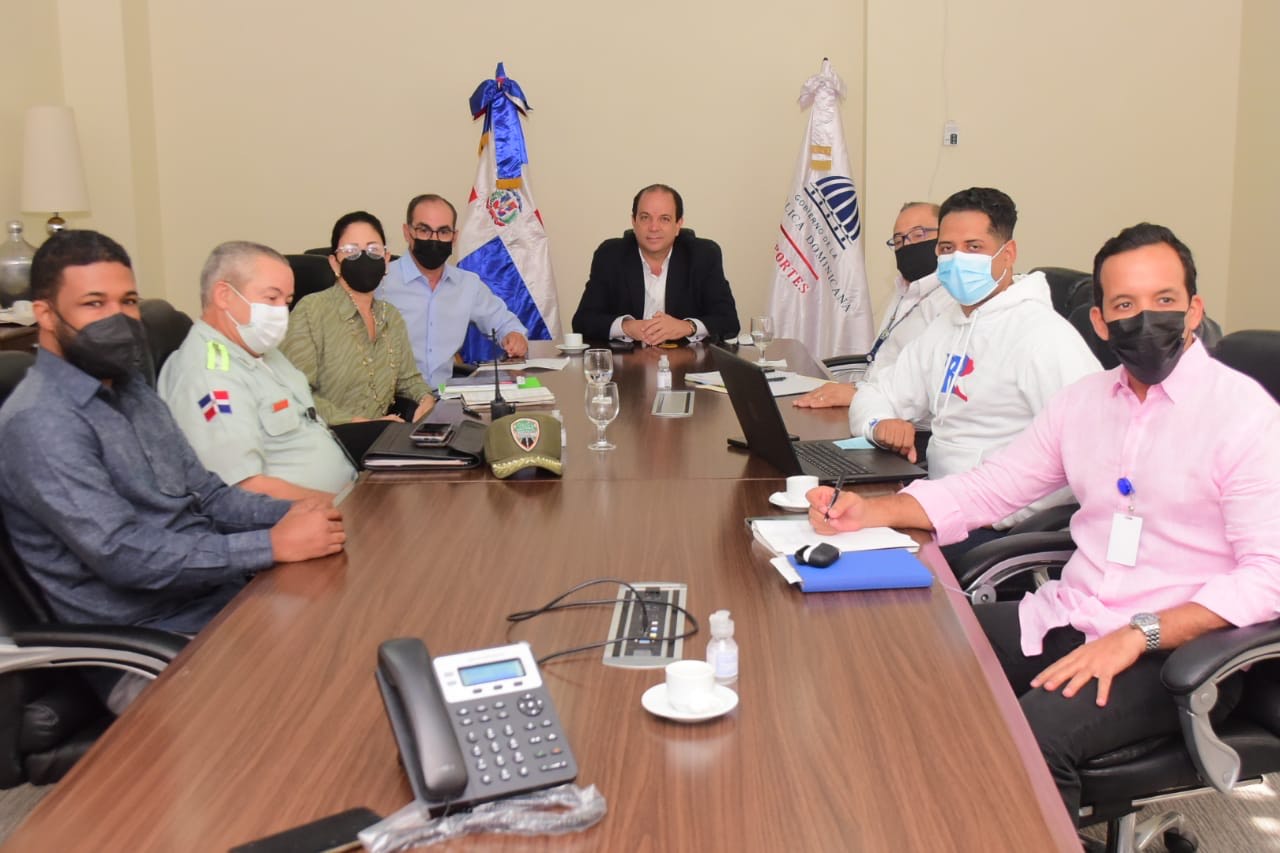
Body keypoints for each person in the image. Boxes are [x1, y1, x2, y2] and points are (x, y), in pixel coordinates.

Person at [807, 222, 1280, 826]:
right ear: (1100, 323)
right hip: (1072, 615)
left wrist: (1139, 634)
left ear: (1194, 309)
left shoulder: (1243, 416)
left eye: (1164, 300)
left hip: (1178, 652)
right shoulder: (1083, 404)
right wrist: (873, 511)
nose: (1145, 318)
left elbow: (1268, 576)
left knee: (1029, 738)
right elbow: (992, 487)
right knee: (907, 653)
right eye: (1125, 305)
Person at [0, 230, 344, 644]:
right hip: (155, 637)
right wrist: (270, 544)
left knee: (363, 616)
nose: (118, 318)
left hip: (220, 596)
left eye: (128, 301)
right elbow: (123, 554)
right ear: (46, 314)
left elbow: (210, 496)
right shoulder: (39, 421)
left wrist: (304, 513)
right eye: (94, 303)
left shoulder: (130, 389)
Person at [849, 187, 1099, 554]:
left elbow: (1086, 457)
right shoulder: (947, 324)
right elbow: (875, 392)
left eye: (973, 247)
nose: (957, 259)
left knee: (870, 565)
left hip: (997, 528)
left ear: (1007, 254)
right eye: (947, 248)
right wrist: (878, 423)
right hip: (937, 501)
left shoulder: (1044, 336)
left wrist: (996, 516)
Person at [159, 241, 357, 501]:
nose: (281, 311)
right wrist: (342, 508)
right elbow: (242, 489)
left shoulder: (258, 349)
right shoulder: (209, 375)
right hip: (306, 517)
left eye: (287, 301)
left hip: (346, 499)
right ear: (224, 295)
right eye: (271, 298)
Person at [280, 211, 434, 424]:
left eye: (373, 250)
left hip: (382, 435)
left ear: (386, 260)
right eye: (351, 251)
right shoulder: (311, 311)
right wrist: (358, 424)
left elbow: (409, 380)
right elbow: (296, 394)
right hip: (326, 435)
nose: (363, 258)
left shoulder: (391, 316)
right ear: (334, 263)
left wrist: (426, 399)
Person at [794, 201, 949, 410]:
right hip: (870, 402)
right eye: (899, 240)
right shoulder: (904, 290)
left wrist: (859, 393)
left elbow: (929, 383)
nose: (907, 245)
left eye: (918, 234)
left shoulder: (950, 300)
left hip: (901, 413)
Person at [377, 194, 528, 389]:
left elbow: (504, 323)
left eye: (443, 232)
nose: (434, 239)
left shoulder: (467, 285)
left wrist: (514, 336)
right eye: (424, 230)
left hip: (445, 396)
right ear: (407, 232)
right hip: (393, 398)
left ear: (454, 237)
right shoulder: (381, 282)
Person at [571, 184, 740, 345]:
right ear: (634, 221)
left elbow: (729, 322)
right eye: (645, 217)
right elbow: (583, 321)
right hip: (627, 361)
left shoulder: (703, 255)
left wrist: (686, 327)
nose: (653, 227)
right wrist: (627, 327)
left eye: (664, 219)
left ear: (678, 225)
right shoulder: (610, 255)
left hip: (686, 361)